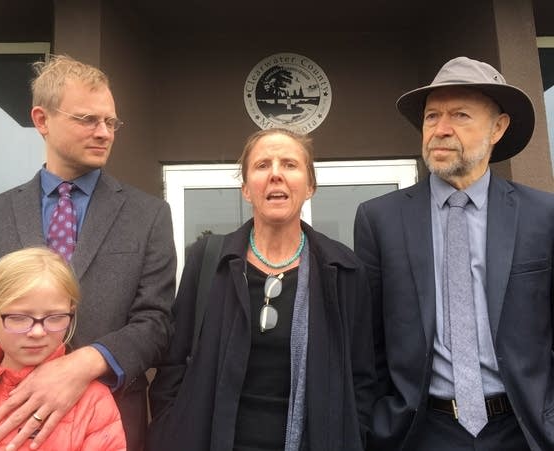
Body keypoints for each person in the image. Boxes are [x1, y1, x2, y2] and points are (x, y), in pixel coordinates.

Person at [0, 55, 176, 450]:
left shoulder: (149, 214)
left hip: (107, 423)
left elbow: (156, 323)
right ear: (42, 120)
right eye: (87, 120)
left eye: (111, 122)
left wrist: (80, 364)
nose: (104, 132)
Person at [354, 56, 554, 450]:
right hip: (422, 433)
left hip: (524, 431)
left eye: (460, 115)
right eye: (431, 117)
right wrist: (375, 425)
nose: (440, 130)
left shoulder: (543, 217)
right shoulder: (380, 219)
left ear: (498, 127)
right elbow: (366, 345)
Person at [147, 128, 375, 450]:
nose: (276, 175)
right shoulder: (209, 261)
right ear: (245, 189)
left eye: (290, 164)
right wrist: (170, 429)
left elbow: (363, 379)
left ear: (310, 186)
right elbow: (172, 366)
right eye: (263, 165)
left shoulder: (343, 271)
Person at [0, 247, 126, 450]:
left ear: (70, 314)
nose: (37, 332)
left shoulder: (93, 402)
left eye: (55, 318)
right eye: (18, 317)